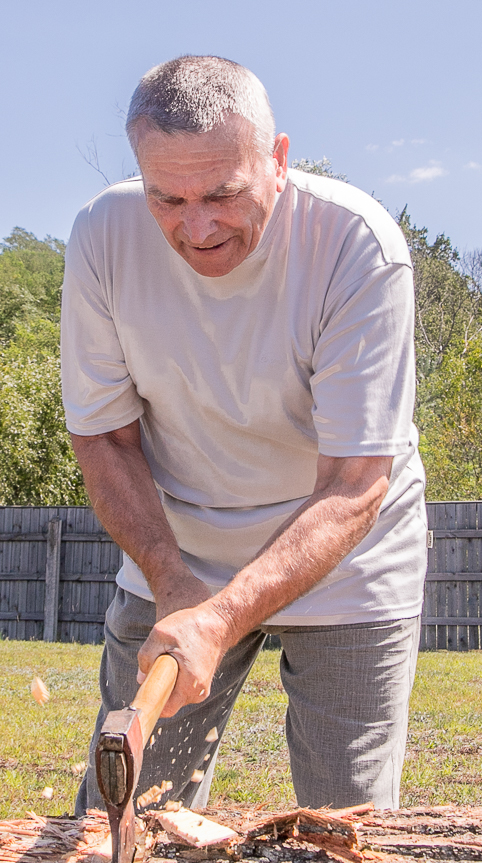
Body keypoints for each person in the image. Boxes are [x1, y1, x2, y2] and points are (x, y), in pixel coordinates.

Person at [62, 55, 426, 813]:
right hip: (178, 557)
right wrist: (175, 585)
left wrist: (223, 617)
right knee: (121, 818)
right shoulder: (103, 236)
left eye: (223, 193)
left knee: (345, 830)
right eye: (167, 198)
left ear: (279, 159)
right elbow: (104, 441)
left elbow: (357, 483)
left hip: (345, 559)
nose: (197, 228)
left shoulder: (356, 244)